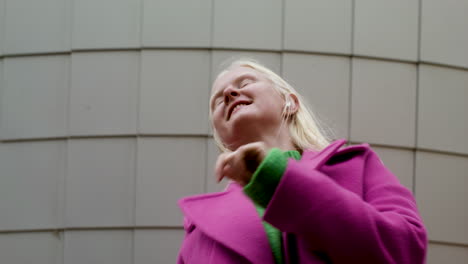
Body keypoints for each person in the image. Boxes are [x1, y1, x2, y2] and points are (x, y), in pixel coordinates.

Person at [176, 58, 427, 263]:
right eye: (218, 100)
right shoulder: (198, 233)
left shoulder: (359, 167)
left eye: (245, 82)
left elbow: (405, 253)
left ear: (290, 102)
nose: (230, 94)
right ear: (220, 134)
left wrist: (276, 178)